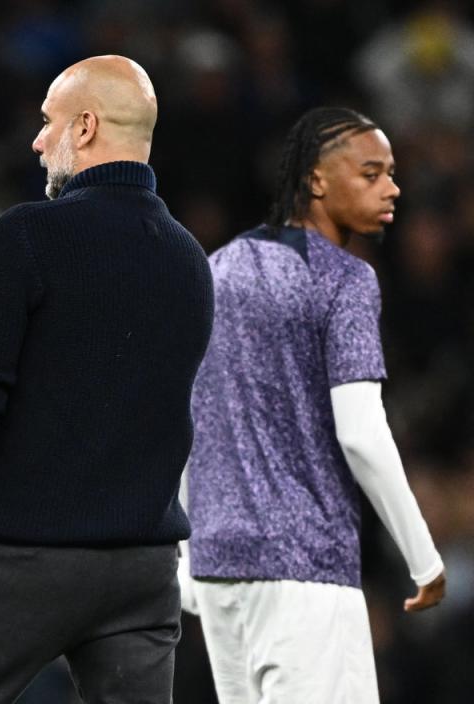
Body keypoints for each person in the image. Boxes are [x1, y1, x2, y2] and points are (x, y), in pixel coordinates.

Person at [0, 55, 214, 704]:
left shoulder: (28, 236)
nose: (37, 140)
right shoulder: (190, 260)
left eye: (48, 123)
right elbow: (98, 397)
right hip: (142, 568)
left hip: (25, 554)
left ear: (85, 126)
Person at [181, 106, 447, 704]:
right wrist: (423, 557)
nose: (392, 188)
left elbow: (187, 416)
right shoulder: (344, 280)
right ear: (317, 181)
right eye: (372, 173)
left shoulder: (216, 269)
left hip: (218, 569)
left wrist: (184, 556)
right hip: (306, 572)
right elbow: (361, 433)